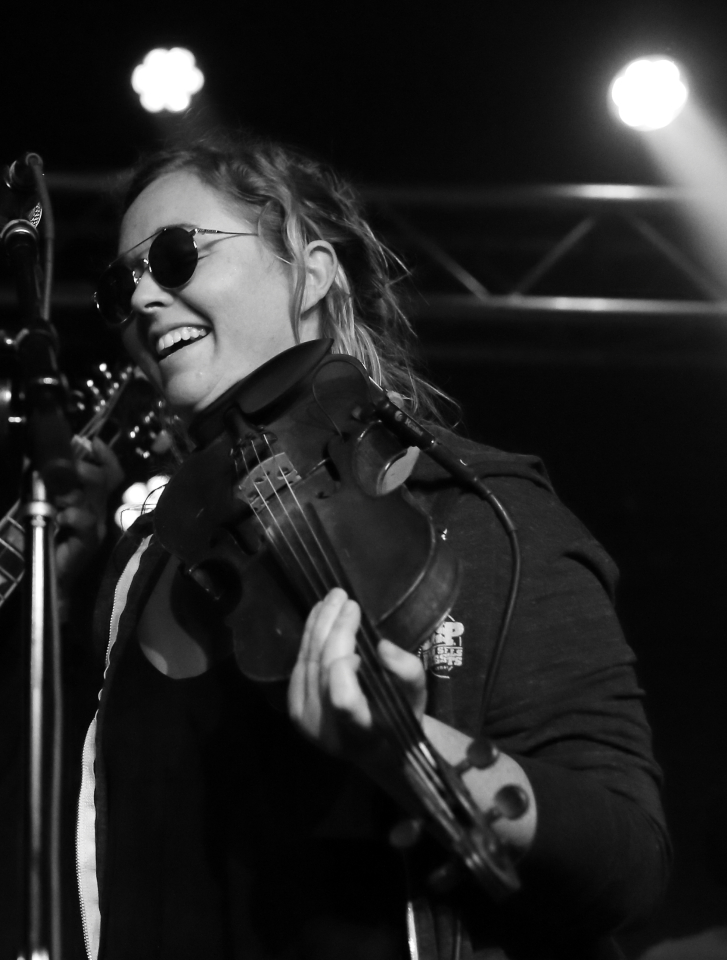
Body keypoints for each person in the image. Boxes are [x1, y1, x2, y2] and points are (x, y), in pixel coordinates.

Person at [72, 134, 669, 960]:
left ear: (313, 272)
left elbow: (629, 858)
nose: (142, 297)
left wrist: (414, 753)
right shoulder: (144, 562)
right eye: (121, 283)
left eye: (176, 256)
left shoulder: (481, 514)